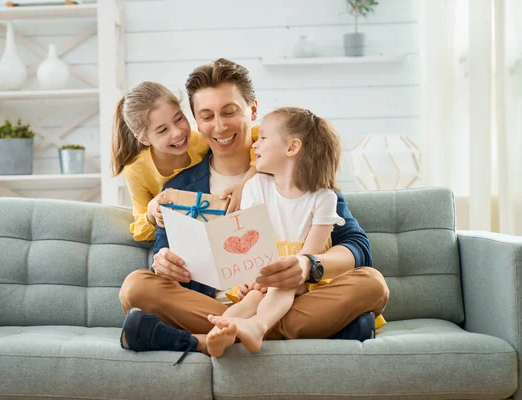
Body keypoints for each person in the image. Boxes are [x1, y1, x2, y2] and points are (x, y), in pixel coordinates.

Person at [119, 59, 390, 365]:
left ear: (253, 109)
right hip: (222, 304)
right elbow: (165, 261)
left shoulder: (295, 169)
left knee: (372, 283)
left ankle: (204, 340)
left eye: (230, 111)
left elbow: (358, 247)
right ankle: (306, 329)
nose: (220, 126)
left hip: (294, 297)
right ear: (196, 121)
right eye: (207, 116)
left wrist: (308, 265)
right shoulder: (181, 188)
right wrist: (164, 263)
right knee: (136, 287)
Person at [205, 106, 346, 357]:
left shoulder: (324, 197)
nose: (254, 146)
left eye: (263, 138)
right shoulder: (256, 186)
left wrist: (277, 278)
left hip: (301, 278)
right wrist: (250, 280)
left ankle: (257, 327)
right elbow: (250, 247)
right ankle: (218, 334)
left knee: (283, 284)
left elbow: (307, 257)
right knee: (251, 299)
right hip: (264, 271)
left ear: (292, 148)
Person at [110, 81, 255, 242]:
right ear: (143, 139)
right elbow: (140, 228)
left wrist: (246, 183)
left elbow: (262, 136)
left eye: (179, 119)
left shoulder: (201, 140)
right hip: (176, 228)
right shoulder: (137, 169)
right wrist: (151, 213)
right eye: (163, 130)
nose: (177, 132)